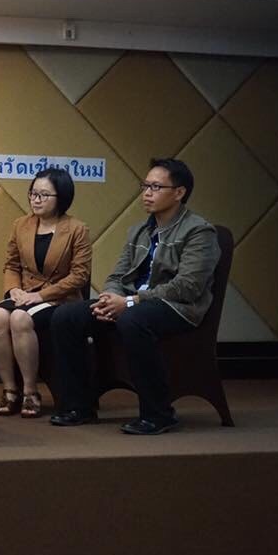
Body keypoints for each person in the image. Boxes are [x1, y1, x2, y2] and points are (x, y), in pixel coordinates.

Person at [49, 158, 220, 435]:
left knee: (133, 319)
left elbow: (188, 287)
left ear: (179, 192)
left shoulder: (199, 231)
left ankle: (159, 414)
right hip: (132, 303)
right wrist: (109, 299)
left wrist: (130, 302)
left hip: (177, 308)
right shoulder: (139, 230)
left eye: (156, 187)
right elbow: (118, 275)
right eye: (145, 186)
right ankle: (78, 406)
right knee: (66, 315)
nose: (147, 193)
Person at [0, 168, 91, 419]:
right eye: (33, 193)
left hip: (59, 298)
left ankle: (30, 391)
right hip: (24, 293)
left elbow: (79, 276)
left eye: (44, 195)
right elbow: (11, 265)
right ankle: (10, 389)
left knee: (19, 318)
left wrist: (41, 296)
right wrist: (13, 289)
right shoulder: (20, 225)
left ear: (61, 197)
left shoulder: (77, 229)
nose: (36, 199)